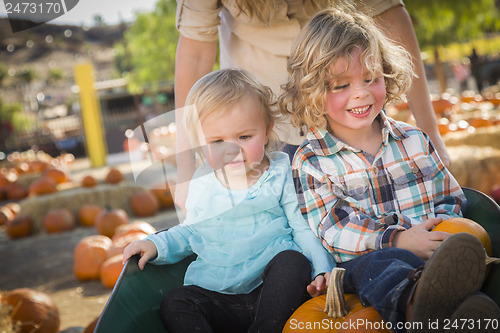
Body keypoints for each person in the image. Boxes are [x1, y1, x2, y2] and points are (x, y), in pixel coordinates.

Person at [279, 7, 500, 332]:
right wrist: (397, 240)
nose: (361, 92)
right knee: (384, 265)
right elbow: (334, 231)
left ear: (386, 74)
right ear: (312, 92)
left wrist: (438, 230)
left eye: (371, 78)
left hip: (437, 251)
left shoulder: (413, 140)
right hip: (370, 266)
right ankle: (417, 306)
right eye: (341, 85)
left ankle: (463, 311)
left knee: (473, 256)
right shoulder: (311, 161)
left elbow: (450, 196)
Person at [173, 0, 451, 213]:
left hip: (349, 73)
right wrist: (187, 172)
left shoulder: (409, 140)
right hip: (262, 110)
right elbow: (196, 52)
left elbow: (388, 13)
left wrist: (429, 131)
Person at [123, 69, 336, 333]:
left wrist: (322, 269)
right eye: (217, 141)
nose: (232, 149)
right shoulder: (203, 183)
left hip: (271, 294)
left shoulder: (281, 172)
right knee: (175, 302)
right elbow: (190, 231)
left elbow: (302, 227)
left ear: (267, 131)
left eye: (244, 137)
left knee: (293, 262)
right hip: (218, 294)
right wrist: (156, 244)